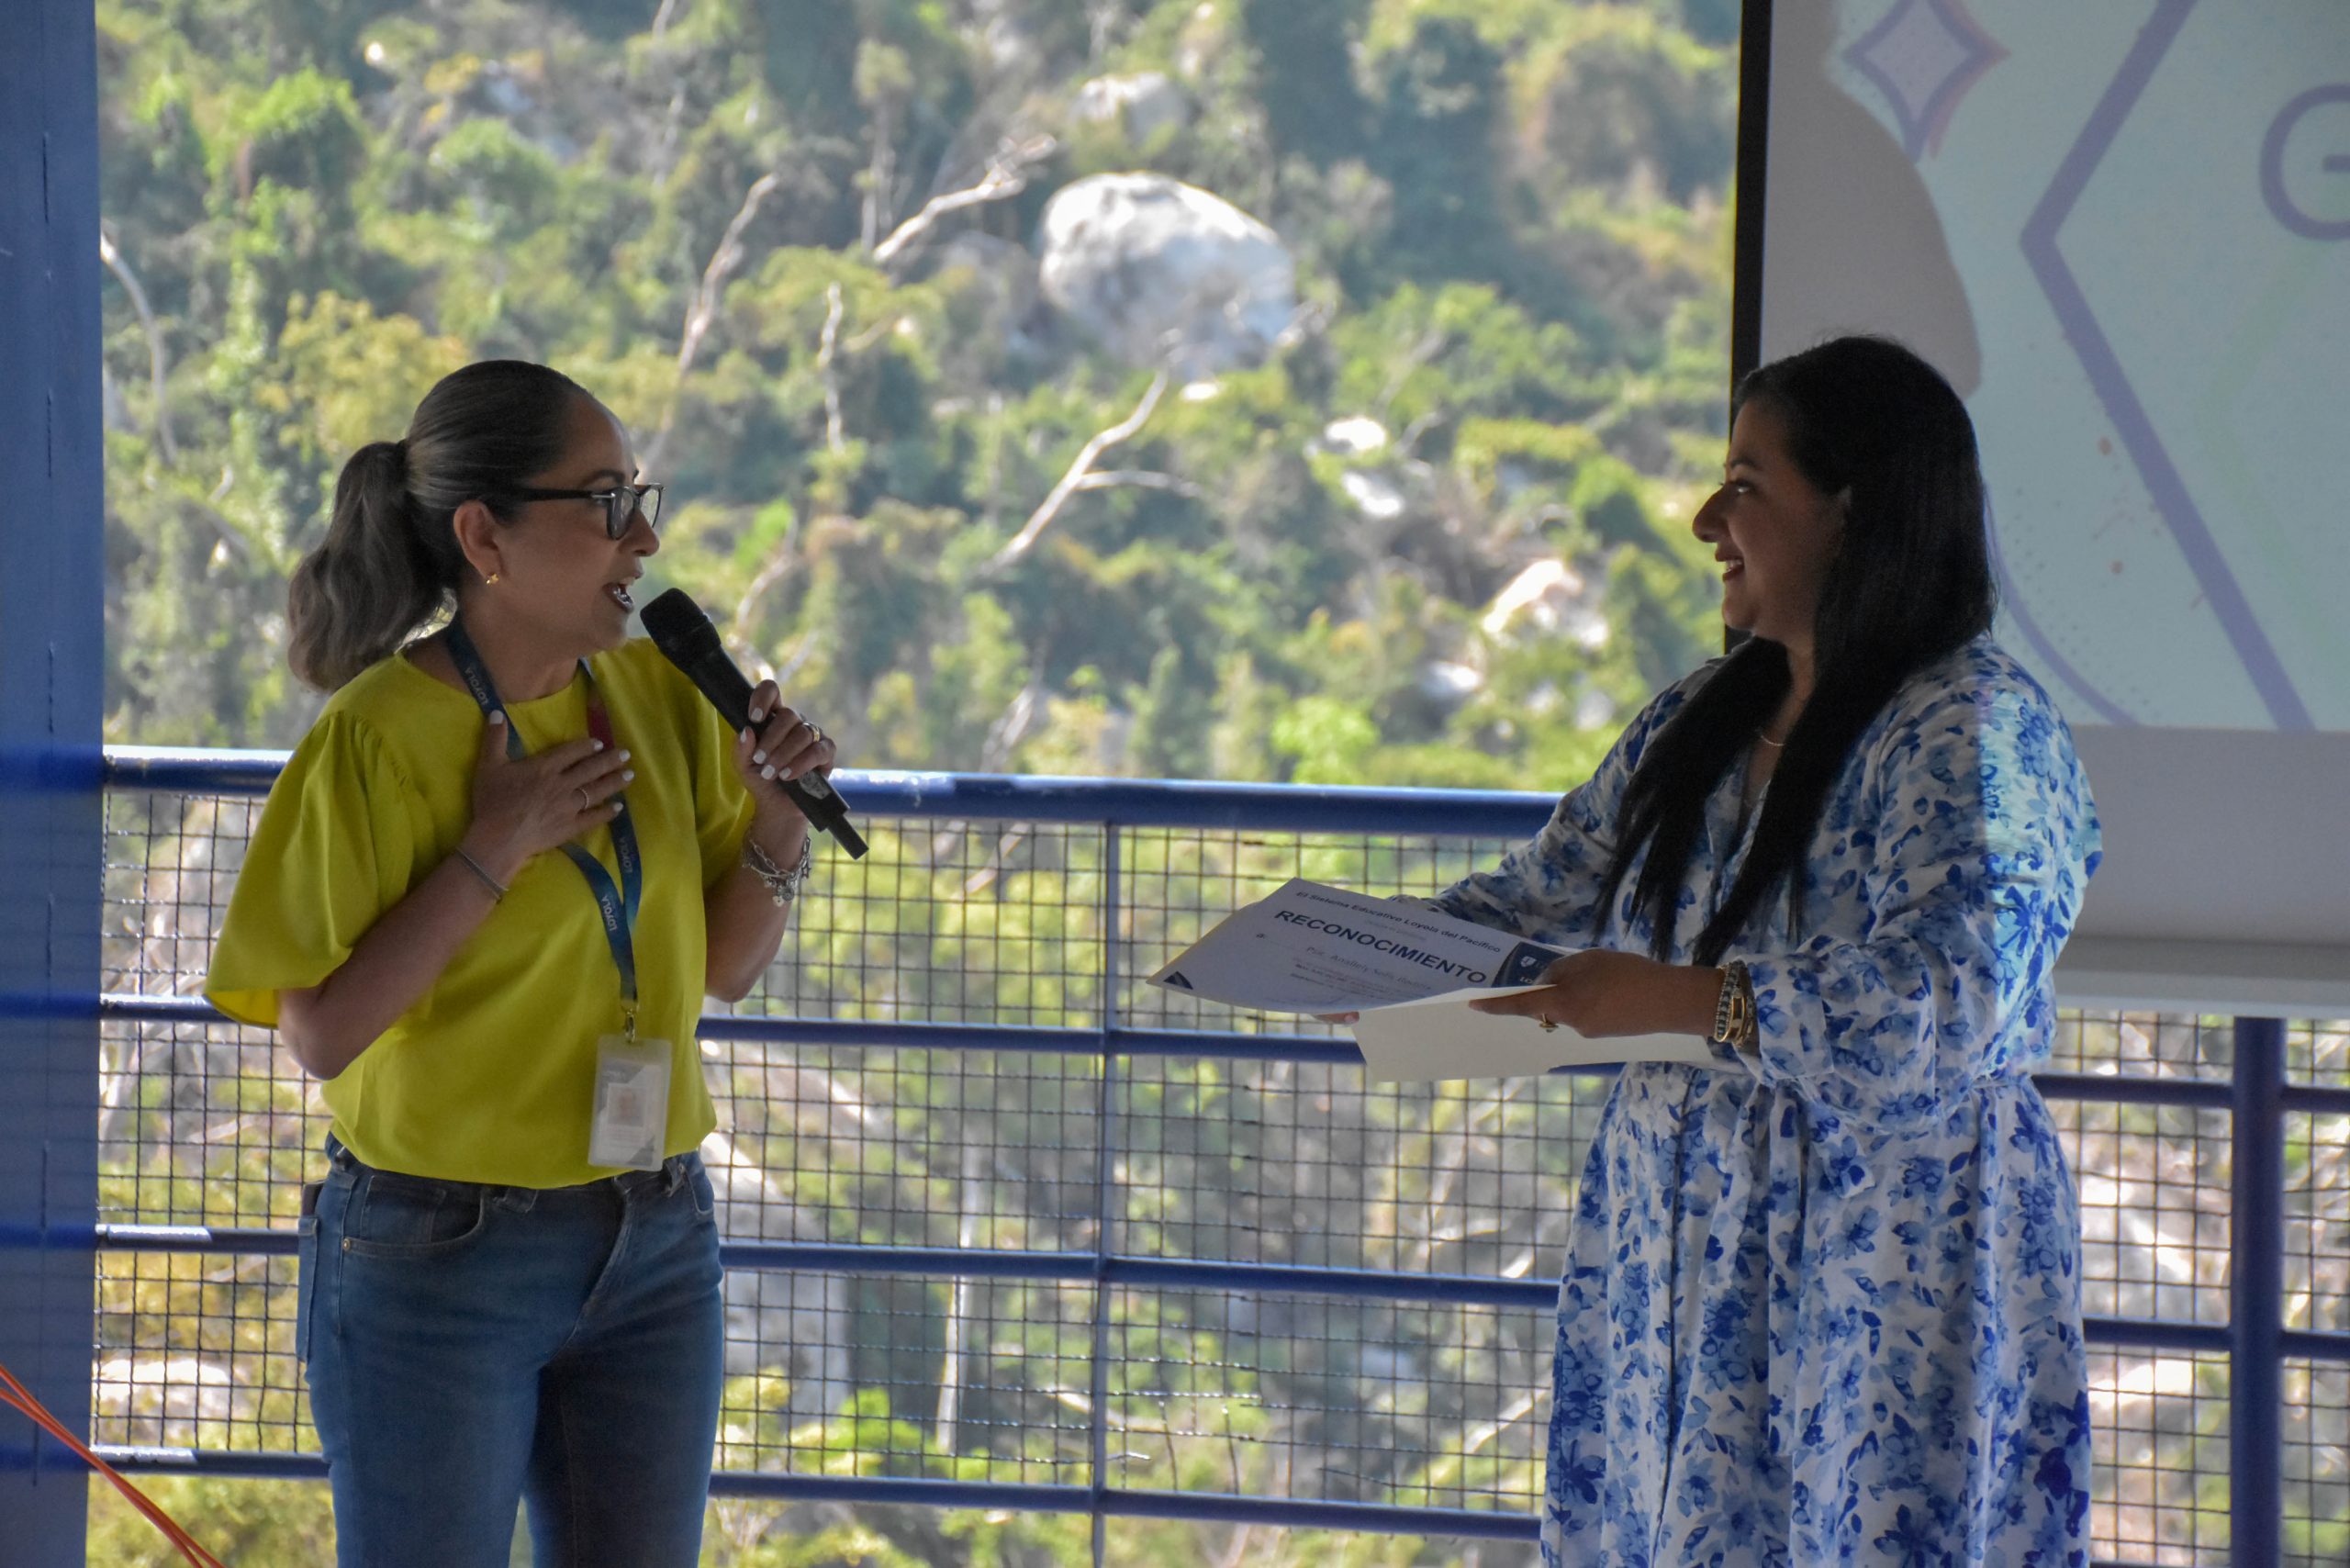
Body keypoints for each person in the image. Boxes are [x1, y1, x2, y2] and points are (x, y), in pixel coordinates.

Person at [1445, 336, 2098, 1564]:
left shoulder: (1975, 728)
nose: (1707, 520)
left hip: (1884, 1262)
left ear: (1852, 512)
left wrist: (1695, 1001)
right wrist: (1362, 959)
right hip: (1676, 1243)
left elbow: (1947, 1001)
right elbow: (1541, 895)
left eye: (1745, 484)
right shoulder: (1704, 713)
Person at [206, 360, 837, 1568]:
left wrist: (777, 826)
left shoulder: (663, 697)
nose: (643, 537)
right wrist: (491, 849)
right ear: (484, 537)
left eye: (639, 498)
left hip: (656, 1235)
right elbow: (321, 1035)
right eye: (605, 502)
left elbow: (724, 970)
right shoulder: (375, 737)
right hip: (440, 1256)